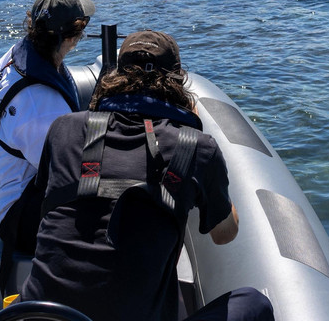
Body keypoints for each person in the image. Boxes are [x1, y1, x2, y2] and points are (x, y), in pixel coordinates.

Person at [22, 31, 273, 321]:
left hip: (35, 317)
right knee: (254, 303)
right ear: (178, 81)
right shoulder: (195, 147)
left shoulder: (63, 129)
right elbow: (224, 234)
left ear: (114, 77)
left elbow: (44, 209)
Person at [0, 0, 95, 272]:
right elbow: (69, 179)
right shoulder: (43, 106)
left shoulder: (17, 55)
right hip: (21, 221)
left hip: (9, 199)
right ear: (72, 38)